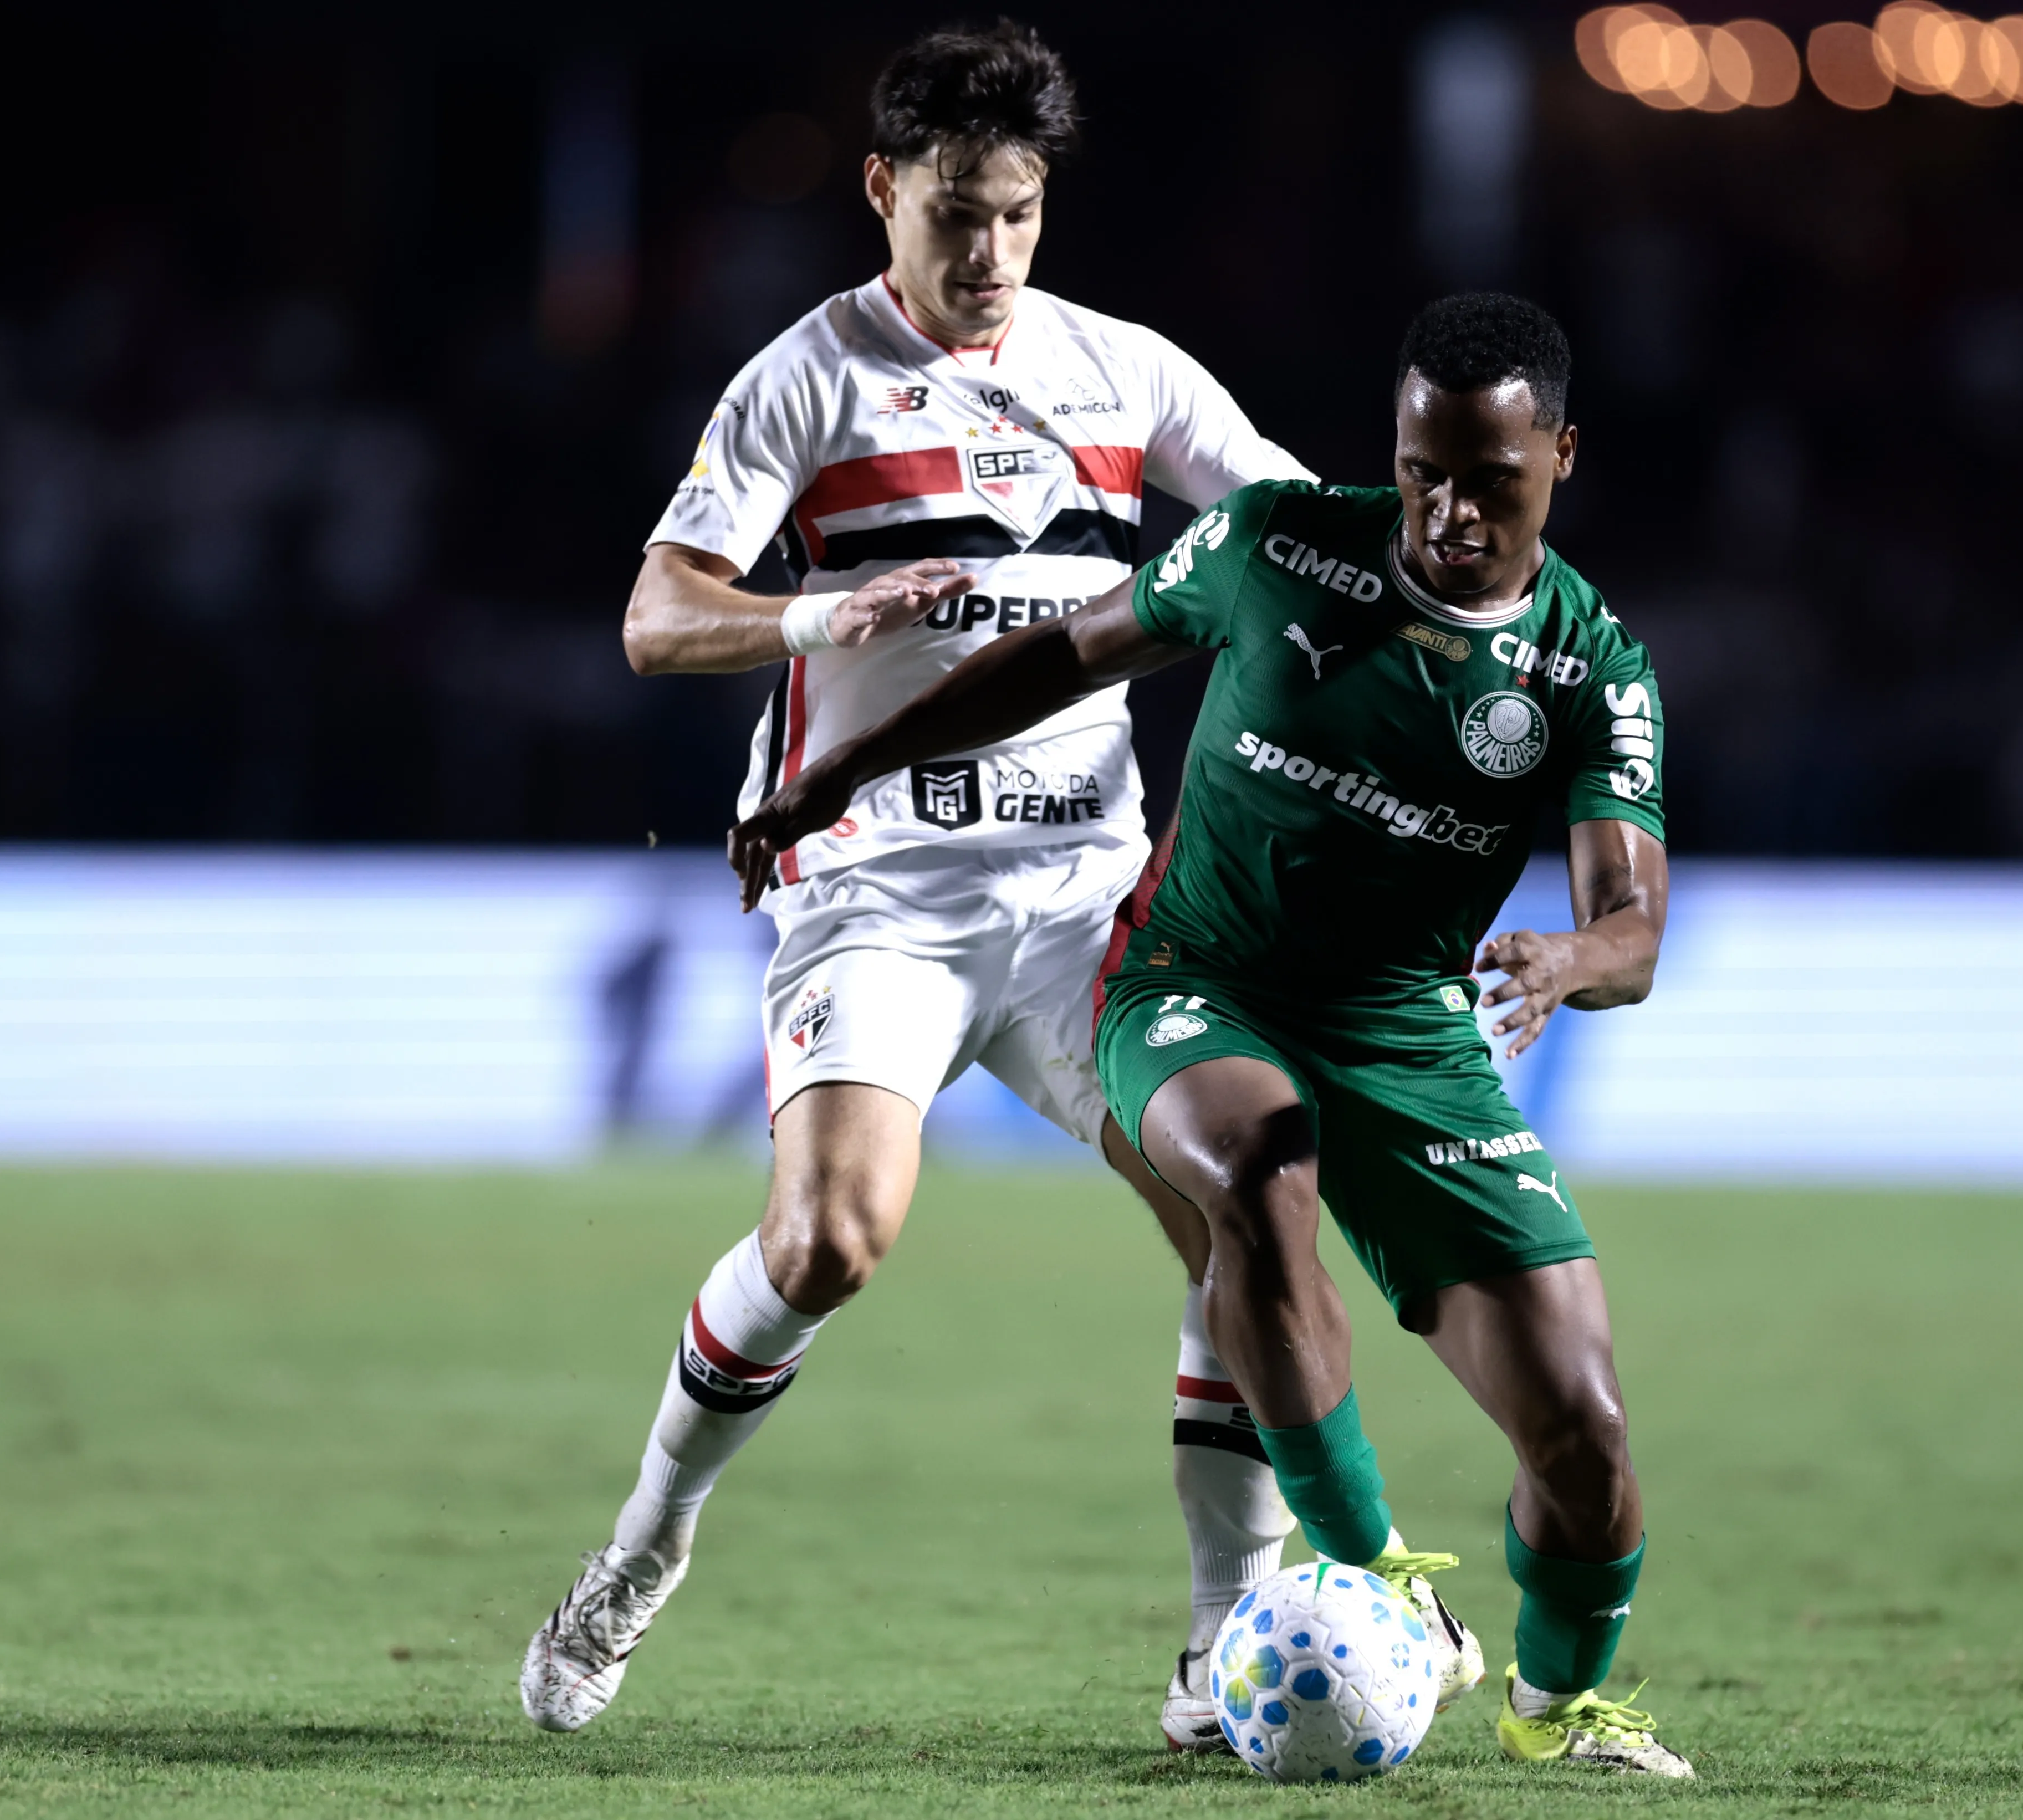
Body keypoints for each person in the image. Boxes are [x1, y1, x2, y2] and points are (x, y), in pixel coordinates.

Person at [733, 291, 1695, 1779]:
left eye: (1488, 479)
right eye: (1421, 467)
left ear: (1557, 458)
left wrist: (1572, 956)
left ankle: (1555, 1705)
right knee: (1251, 1162)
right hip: (1195, 981)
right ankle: (1369, 1570)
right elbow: (1062, 655)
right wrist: (849, 760)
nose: (1445, 509)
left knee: (1585, 1434)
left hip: (1408, 1033)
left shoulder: (1587, 669)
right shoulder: (1277, 545)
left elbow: (1632, 920)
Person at [520, 22, 1314, 1744]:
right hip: (875, 892)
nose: (987, 256)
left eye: (1017, 215)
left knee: (1244, 1208)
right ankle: (641, 1549)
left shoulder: (1127, 373)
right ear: (882, 191)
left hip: (1081, 896)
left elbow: (1294, 538)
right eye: (955, 212)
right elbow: (658, 620)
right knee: (829, 1239)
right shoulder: (803, 379)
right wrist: (811, 615)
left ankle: (1221, 1642)